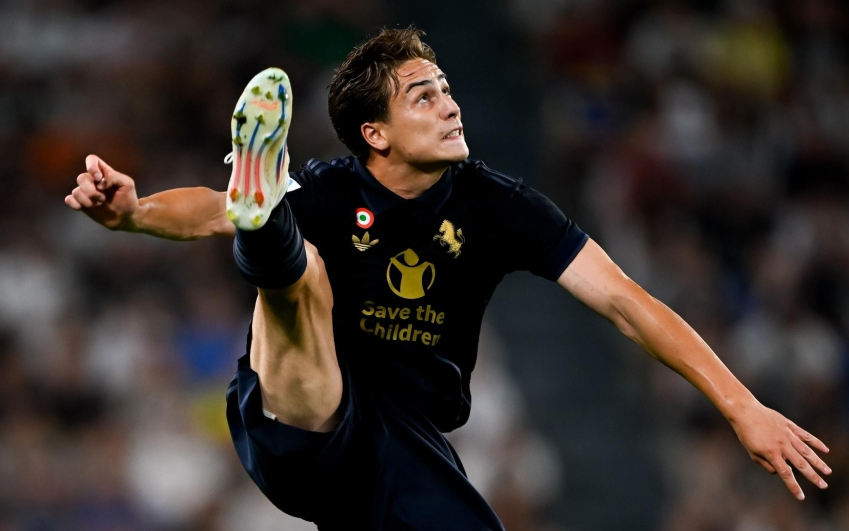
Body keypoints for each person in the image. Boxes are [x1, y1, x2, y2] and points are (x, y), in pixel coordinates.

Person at [65, 27, 831, 530]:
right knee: (300, 280)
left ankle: (266, 220)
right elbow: (207, 213)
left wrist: (742, 405)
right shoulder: (333, 189)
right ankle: (266, 219)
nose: (450, 103)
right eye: (421, 95)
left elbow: (627, 302)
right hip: (299, 428)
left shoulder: (500, 205)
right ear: (376, 134)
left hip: (405, 444)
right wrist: (131, 214)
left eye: (446, 87)